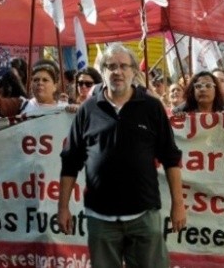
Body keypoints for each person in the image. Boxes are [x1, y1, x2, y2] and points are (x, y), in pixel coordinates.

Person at [58, 43, 185, 267]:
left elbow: (171, 158)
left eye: (124, 66)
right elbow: (70, 161)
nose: (117, 72)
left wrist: (178, 205)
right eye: (111, 66)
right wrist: (63, 207)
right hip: (100, 217)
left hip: (144, 215)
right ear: (103, 71)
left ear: (134, 71)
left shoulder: (152, 107)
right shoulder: (88, 110)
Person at [0, 59, 68, 117]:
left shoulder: (64, 110)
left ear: (55, 86)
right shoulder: (21, 105)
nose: (40, 83)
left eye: (45, 80)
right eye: (36, 80)